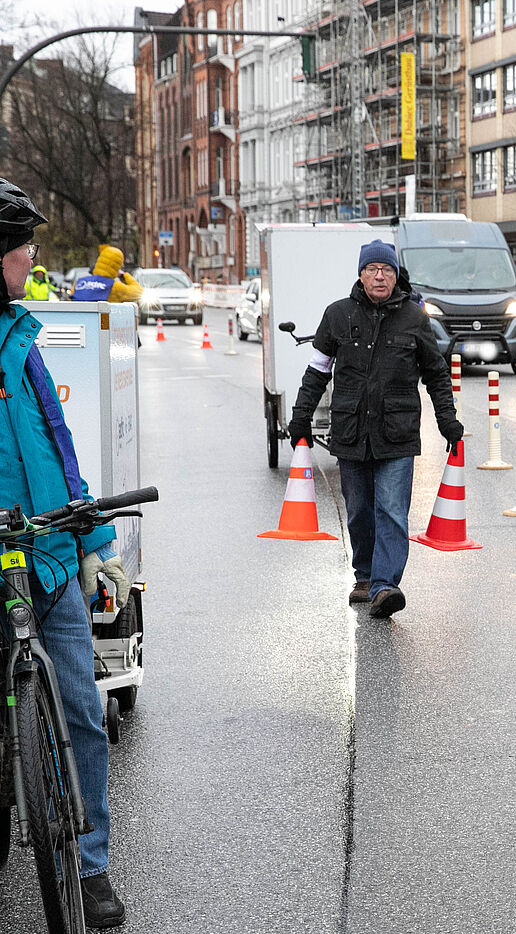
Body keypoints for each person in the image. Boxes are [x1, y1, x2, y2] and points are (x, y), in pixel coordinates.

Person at [0, 178, 128, 926]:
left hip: (44, 553)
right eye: (23, 248)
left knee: (82, 710)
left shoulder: (22, 338)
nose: (31, 258)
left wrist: (95, 539)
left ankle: (92, 863)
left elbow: (58, 439)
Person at [288, 240, 463, 617]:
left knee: (392, 511)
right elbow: (317, 372)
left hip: (397, 434)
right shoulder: (337, 315)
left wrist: (447, 419)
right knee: (359, 511)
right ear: (361, 275)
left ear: (396, 275)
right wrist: (301, 417)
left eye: (386, 269)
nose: (380, 276)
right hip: (351, 433)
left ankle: (386, 585)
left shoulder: (415, 320)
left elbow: (436, 374)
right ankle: (365, 576)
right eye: (372, 269)